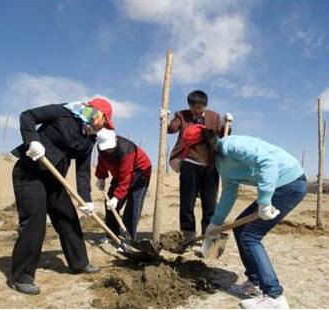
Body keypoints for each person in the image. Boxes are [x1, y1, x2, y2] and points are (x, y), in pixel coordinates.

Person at [184, 125, 306, 309]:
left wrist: (264, 201)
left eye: (192, 151)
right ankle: (255, 281)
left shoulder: (233, 146)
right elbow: (228, 194)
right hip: (278, 186)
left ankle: (274, 296)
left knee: (250, 235)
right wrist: (214, 224)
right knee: (240, 228)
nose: (192, 156)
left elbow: (267, 162)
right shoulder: (220, 163)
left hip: (289, 183)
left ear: (203, 145)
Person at [9, 98, 114, 295]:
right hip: (30, 174)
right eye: (105, 122)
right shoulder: (63, 112)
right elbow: (27, 116)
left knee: (68, 218)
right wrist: (32, 140)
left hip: (55, 181)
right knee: (34, 223)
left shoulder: (88, 138)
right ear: (97, 113)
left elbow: (82, 171)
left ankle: (79, 263)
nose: (104, 127)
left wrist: (86, 199)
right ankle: (21, 276)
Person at [160, 89, 232, 241]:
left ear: (205, 106)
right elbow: (171, 129)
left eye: (200, 108)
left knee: (210, 204)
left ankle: (208, 235)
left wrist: (228, 124)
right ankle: (188, 234)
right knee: (187, 202)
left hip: (210, 166)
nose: (197, 111)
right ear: (189, 106)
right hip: (189, 163)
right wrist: (164, 119)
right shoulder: (182, 115)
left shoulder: (214, 116)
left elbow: (221, 133)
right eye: (194, 108)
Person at [94, 128, 152, 241]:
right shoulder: (102, 148)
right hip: (120, 174)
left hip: (140, 172)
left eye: (110, 148)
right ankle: (112, 234)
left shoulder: (127, 150)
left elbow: (126, 177)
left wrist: (117, 198)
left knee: (133, 205)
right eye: (106, 149)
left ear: (115, 140)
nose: (108, 151)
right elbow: (102, 162)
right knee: (109, 202)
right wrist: (101, 177)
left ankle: (129, 239)